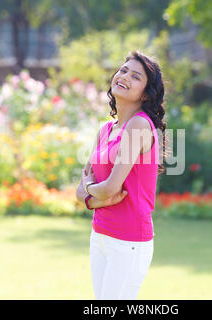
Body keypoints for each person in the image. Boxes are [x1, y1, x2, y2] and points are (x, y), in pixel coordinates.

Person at [76, 50, 167, 300]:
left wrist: (93, 191)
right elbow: (81, 191)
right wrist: (96, 194)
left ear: (146, 94)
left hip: (128, 241)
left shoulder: (139, 125)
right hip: (100, 235)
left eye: (136, 76)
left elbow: (107, 188)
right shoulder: (106, 129)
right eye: (124, 70)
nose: (125, 76)